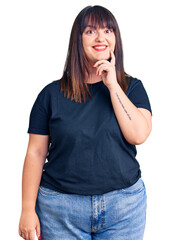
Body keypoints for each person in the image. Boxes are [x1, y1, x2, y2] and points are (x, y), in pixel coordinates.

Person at [18, 5, 152, 240]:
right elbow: (36, 153)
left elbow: (138, 135)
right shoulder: (50, 95)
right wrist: (27, 210)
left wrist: (112, 85)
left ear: (115, 39)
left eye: (108, 30)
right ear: (78, 40)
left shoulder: (132, 88)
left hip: (124, 209)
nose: (101, 37)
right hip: (60, 210)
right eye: (90, 31)